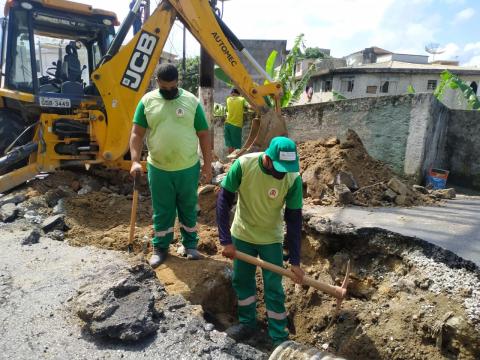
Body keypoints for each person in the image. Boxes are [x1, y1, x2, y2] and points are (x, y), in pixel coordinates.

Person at [216, 136, 304, 346]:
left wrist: (295, 262)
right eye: (279, 167)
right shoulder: (244, 165)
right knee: (242, 280)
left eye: (286, 168)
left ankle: (278, 336)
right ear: (268, 158)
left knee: (274, 287)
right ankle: (247, 324)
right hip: (243, 234)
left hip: (271, 239)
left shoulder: (293, 178)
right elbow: (223, 200)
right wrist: (225, 240)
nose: (282, 173)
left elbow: (293, 220)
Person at [130, 63, 212, 268]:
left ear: (178, 82)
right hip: (159, 169)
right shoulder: (147, 101)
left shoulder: (191, 101)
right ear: (157, 82)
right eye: (164, 88)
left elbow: (203, 134)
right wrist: (133, 161)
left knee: (188, 208)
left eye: (173, 87)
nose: (169, 91)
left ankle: (191, 246)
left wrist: (207, 165)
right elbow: (137, 133)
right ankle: (160, 248)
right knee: (163, 210)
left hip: (187, 168)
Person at [224, 88, 248, 154]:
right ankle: (235, 162)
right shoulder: (242, 99)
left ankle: (230, 162)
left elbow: (227, 110)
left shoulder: (228, 99)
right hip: (236, 126)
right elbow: (248, 106)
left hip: (227, 124)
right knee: (237, 147)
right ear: (239, 93)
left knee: (230, 146)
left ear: (231, 93)